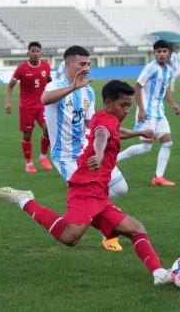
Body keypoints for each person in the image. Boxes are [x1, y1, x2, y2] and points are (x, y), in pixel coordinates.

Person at [0, 80, 172, 285]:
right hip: (86, 189)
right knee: (70, 237)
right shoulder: (106, 121)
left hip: (100, 194)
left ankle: (158, 273)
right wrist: (99, 152)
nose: (127, 109)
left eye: (129, 105)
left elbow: (113, 132)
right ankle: (24, 200)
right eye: (123, 105)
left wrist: (138, 133)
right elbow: (102, 136)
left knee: (137, 229)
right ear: (108, 103)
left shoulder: (103, 117)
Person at [41, 45, 154, 251]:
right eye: (82, 64)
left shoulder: (89, 92)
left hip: (87, 152)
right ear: (68, 64)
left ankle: (101, 218)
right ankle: (107, 233)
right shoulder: (54, 86)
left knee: (120, 188)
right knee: (90, 195)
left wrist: (137, 133)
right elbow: (45, 99)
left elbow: (96, 126)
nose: (87, 68)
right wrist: (73, 87)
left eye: (89, 64)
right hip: (65, 156)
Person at [117, 40, 180, 186]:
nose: (161, 54)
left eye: (164, 51)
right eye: (158, 51)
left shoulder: (168, 70)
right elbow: (138, 87)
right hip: (147, 112)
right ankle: (112, 161)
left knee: (167, 142)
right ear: (154, 53)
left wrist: (173, 105)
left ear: (168, 53)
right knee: (146, 147)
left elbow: (163, 90)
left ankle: (158, 177)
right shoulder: (151, 68)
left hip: (159, 113)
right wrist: (141, 109)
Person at [5, 41, 52, 173]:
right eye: (33, 51)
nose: (35, 53)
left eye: (38, 51)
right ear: (28, 53)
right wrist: (8, 102)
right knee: (28, 134)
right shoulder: (22, 68)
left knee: (48, 129)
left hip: (42, 105)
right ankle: (29, 163)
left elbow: (49, 81)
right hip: (26, 106)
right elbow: (10, 86)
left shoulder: (46, 66)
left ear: (41, 53)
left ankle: (43, 157)